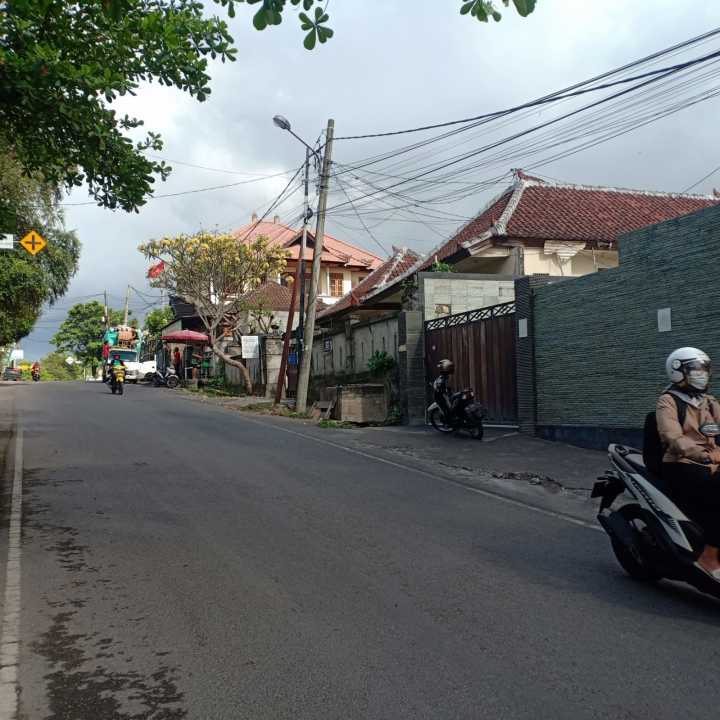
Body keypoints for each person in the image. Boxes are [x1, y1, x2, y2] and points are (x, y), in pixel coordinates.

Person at [657, 347, 720, 575]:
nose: (701, 374)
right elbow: (673, 437)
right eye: (695, 370)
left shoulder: (709, 402)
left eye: (704, 370)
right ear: (678, 372)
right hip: (682, 464)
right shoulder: (668, 401)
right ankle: (709, 556)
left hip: (711, 462)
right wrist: (703, 455)